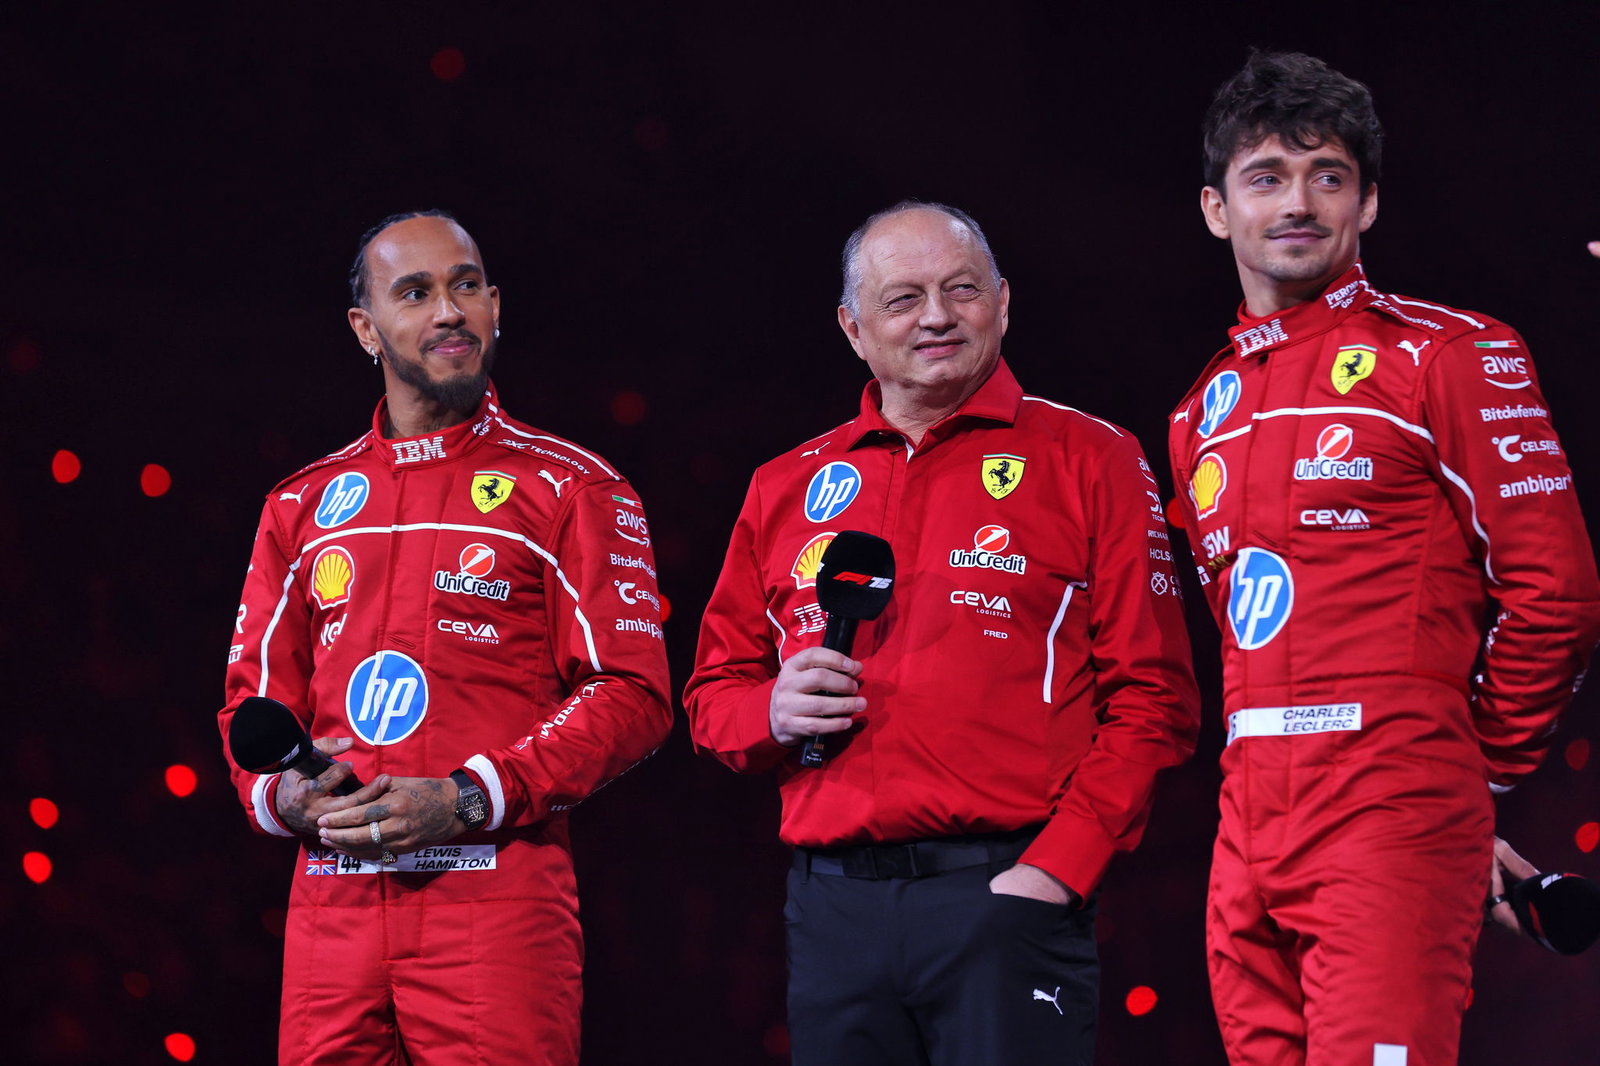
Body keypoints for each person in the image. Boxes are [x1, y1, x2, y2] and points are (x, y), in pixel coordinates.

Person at [684, 201, 1199, 1065]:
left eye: (961, 289)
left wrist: (1057, 870)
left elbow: (1155, 699)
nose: (936, 315)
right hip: (832, 914)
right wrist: (769, 712)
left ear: (1002, 301)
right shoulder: (783, 485)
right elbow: (710, 699)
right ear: (853, 328)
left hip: (1006, 895)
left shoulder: (1092, 456)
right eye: (903, 297)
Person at [1168, 52, 1600, 1066]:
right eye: (1264, 175)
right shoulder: (1197, 412)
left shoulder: (1449, 354)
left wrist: (1459, 775)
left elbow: (1558, 597)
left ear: (1366, 204)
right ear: (1215, 210)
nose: (1299, 201)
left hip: (1390, 808)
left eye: (1328, 175)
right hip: (1245, 826)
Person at [218, 210, 672, 1065]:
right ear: (365, 329)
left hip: (494, 903)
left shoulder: (573, 487)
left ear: (496, 305)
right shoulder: (299, 505)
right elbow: (253, 703)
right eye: (416, 292)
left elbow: (635, 693)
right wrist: (286, 799)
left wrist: (468, 798)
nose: (448, 311)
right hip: (332, 910)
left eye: (466, 286)